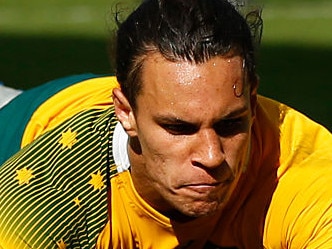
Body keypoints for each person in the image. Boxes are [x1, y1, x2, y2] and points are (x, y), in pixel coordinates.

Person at [0, 0, 331, 248]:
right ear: (126, 112)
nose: (212, 156)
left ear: (252, 97)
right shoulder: (42, 202)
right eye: (178, 128)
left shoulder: (307, 171)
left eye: (230, 124)